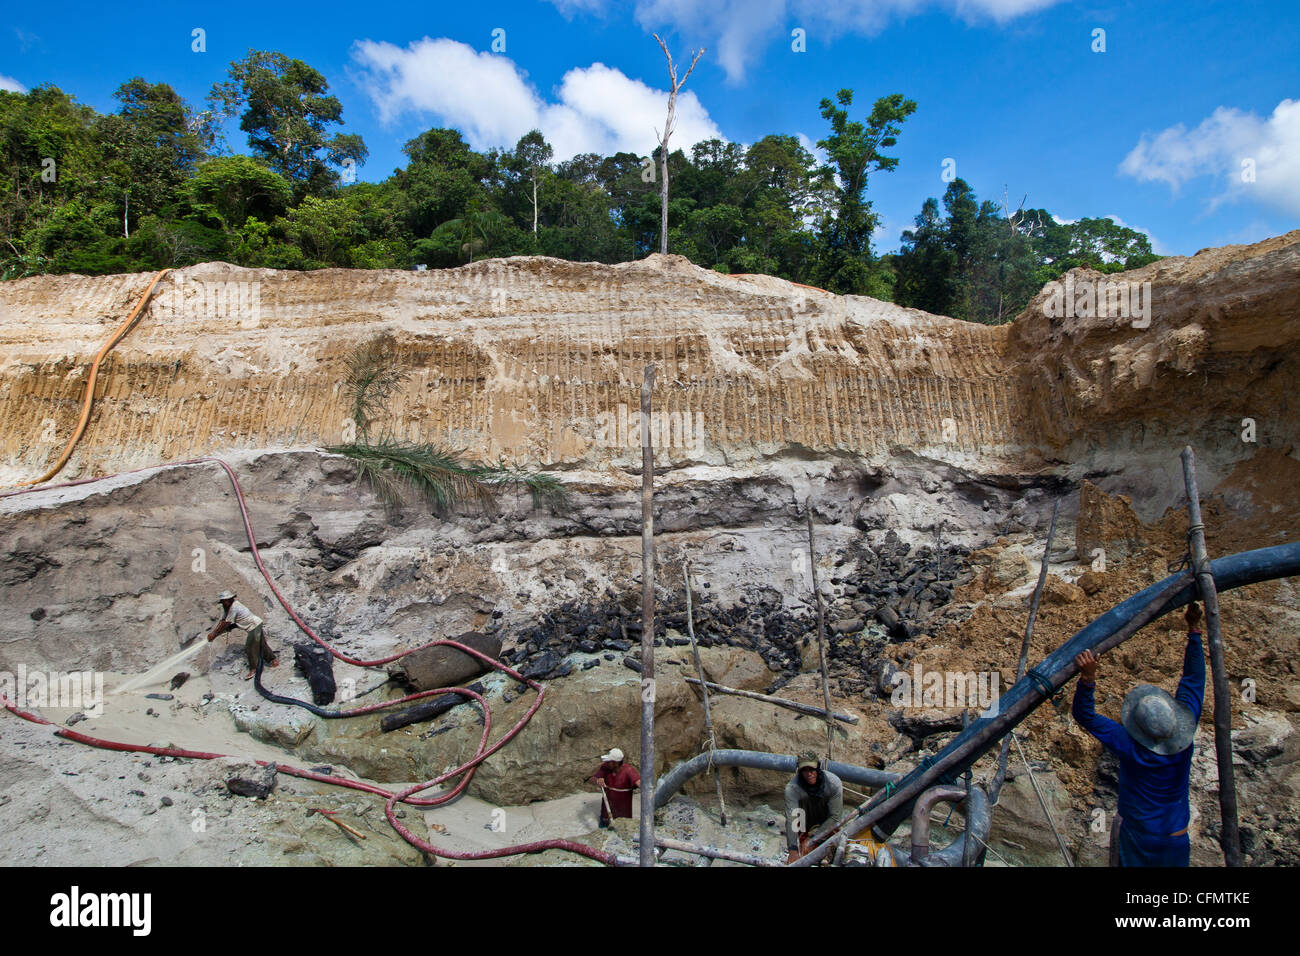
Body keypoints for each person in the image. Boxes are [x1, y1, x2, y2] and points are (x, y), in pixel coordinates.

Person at [1072, 601, 1205, 867]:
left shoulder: (1130, 745)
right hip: (1176, 837)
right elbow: (1193, 680)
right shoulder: (1184, 738)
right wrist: (1194, 631)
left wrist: (1088, 680)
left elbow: (1086, 717)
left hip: (1138, 836)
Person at [784, 751, 843, 863]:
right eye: (804, 771)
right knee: (804, 853)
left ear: (818, 768)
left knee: (831, 851)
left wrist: (813, 838)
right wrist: (793, 850)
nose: (809, 774)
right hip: (804, 822)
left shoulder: (833, 783)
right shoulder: (792, 788)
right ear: (799, 772)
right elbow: (792, 818)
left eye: (811, 770)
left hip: (828, 822)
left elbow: (835, 817)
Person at [207, 590, 279, 681]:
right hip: (253, 625)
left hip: (254, 626)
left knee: (249, 648)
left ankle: (254, 669)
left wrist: (214, 634)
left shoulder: (234, 607)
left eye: (225, 600)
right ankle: (274, 661)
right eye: (223, 601)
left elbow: (226, 623)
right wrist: (216, 632)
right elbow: (223, 621)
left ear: (230, 599)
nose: (224, 603)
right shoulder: (227, 608)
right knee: (262, 645)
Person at [591, 747, 640, 828]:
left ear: (616, 763)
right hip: (606, 815)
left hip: (623, 818)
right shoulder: (605, 767)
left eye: (609, 761)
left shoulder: (629, 771)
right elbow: (591, 779)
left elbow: (641, 784)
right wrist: (597, 780)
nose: (606, 762)